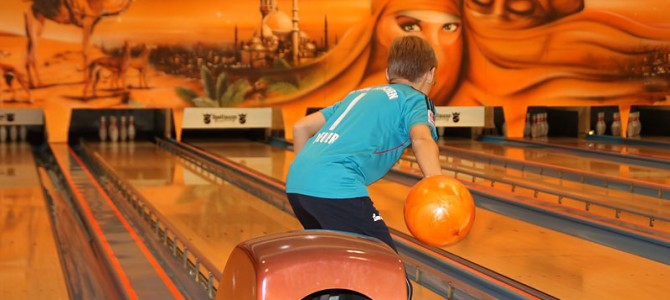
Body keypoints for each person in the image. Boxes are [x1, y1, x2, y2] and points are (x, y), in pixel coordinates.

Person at [285, 36, 443, 300]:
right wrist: (437, 186)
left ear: (387, 73)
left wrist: (308, 176)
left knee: (336, 268)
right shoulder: (415, 99)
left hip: (298, 186)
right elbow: (421, 138)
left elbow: (301, 127)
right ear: (431, 74)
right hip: (336, 188)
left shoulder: (358, 94)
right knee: (388, 273)